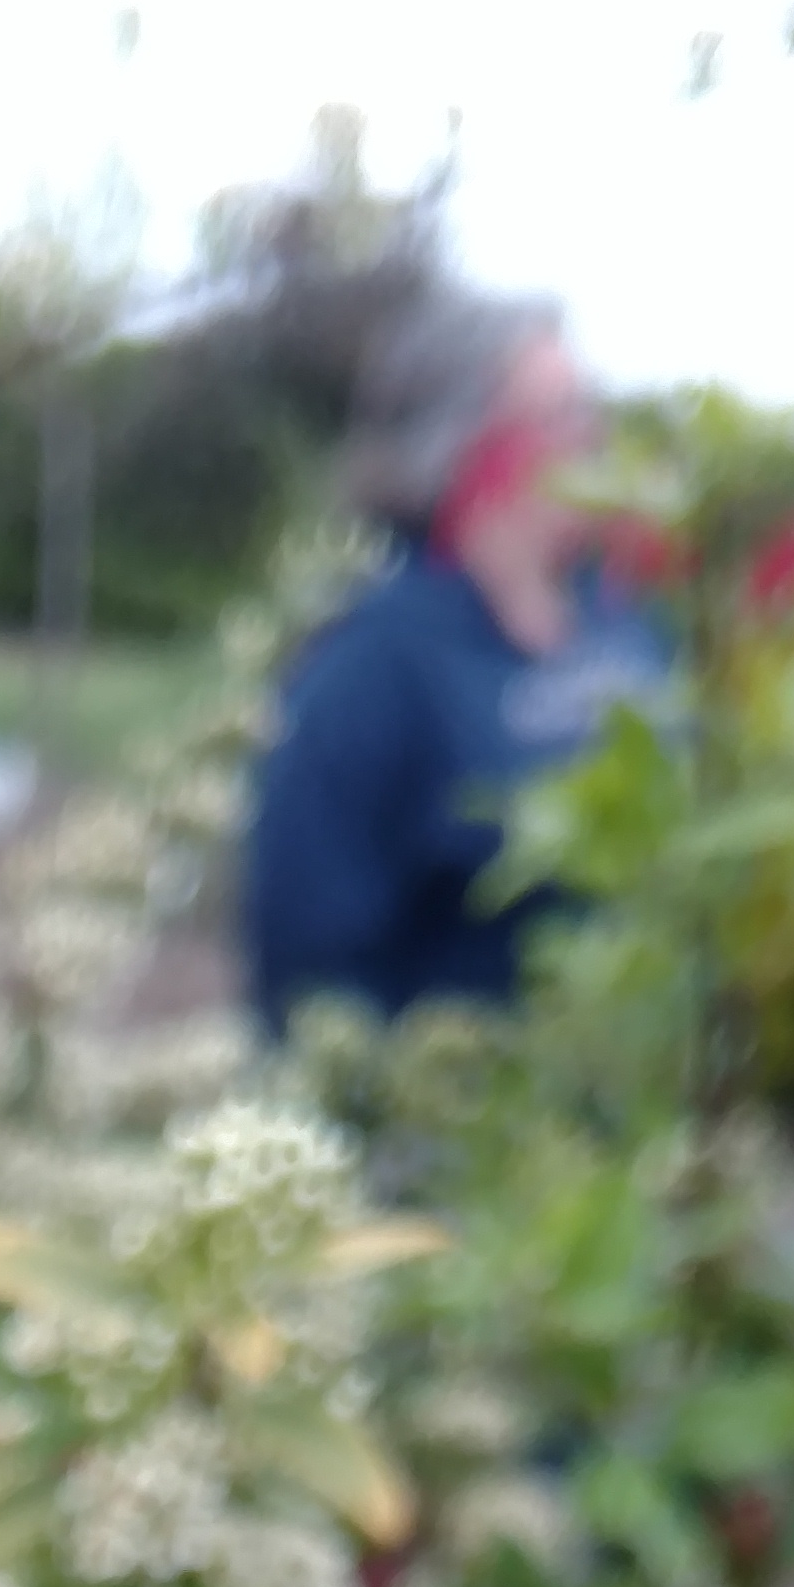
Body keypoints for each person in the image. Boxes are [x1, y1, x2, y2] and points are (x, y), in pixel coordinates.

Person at [245, 290, 669, 1037]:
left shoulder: (620, 617)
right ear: (465, 446)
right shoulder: (373, 663)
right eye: (561, 414)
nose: (595, 438)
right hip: (469, 1127)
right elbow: (309, 969)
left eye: (589, 407)